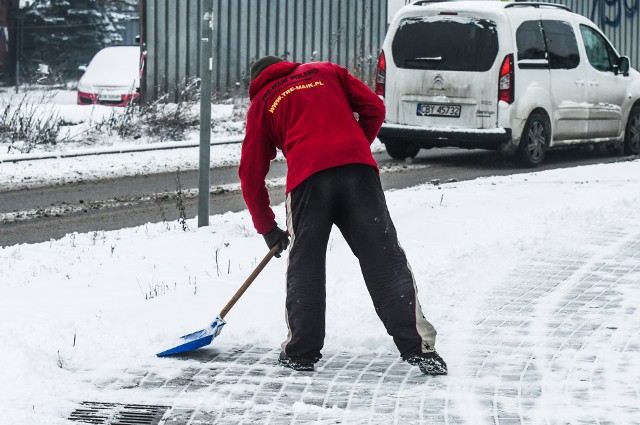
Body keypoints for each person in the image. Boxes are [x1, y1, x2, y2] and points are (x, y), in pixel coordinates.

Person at [239, 56, 447, 375]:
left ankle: (301, 352)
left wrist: (268, 228)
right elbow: (374, 108)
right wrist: (353, 148)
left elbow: (251, 175)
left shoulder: (262, 102)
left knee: (306, 265)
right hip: (359, 175)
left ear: (256, 83)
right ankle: (419, 348)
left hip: (309, 183)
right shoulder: (326, 71)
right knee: (384, 259)